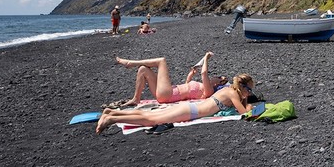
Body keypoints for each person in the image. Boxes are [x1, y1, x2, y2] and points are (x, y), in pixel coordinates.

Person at [96, 73, 256, 134]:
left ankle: (112, 113)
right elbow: (243, 112)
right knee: (150, 120)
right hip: (191, 112)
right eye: (249, 89)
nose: (250, 93)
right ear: (243, 87)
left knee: (149, 115)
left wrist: (245, 98)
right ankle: (112, 119)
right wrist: (249, 105)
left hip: (189, 108)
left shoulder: (229, 91)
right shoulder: (232, 93)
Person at [114, 52, 226, 107]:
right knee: (143, 69)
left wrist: (206, 58)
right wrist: (191, 75)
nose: (217, 76)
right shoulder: (202, 87)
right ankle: (136, 99)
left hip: (168, 94)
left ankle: (130, 63)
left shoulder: (209, 91)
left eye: (220, 78)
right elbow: (187, 87)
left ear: (218, 84)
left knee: (162, 61)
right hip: (166, 94)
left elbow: (204, 73)